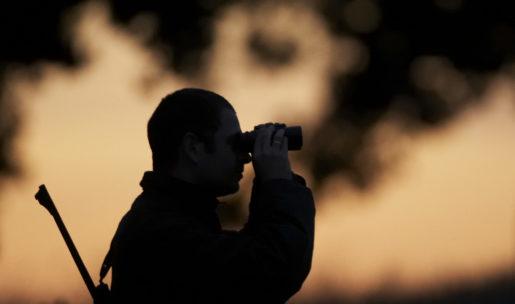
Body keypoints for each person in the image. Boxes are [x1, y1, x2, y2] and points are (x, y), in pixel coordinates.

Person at [107, 88, 315, 303]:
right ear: (193, 148)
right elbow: (272, 271)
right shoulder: (161, 233)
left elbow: (250, 256)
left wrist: (271, 186)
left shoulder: (169, 219)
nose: (244, 157)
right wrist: (278, 183)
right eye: (235, 143)